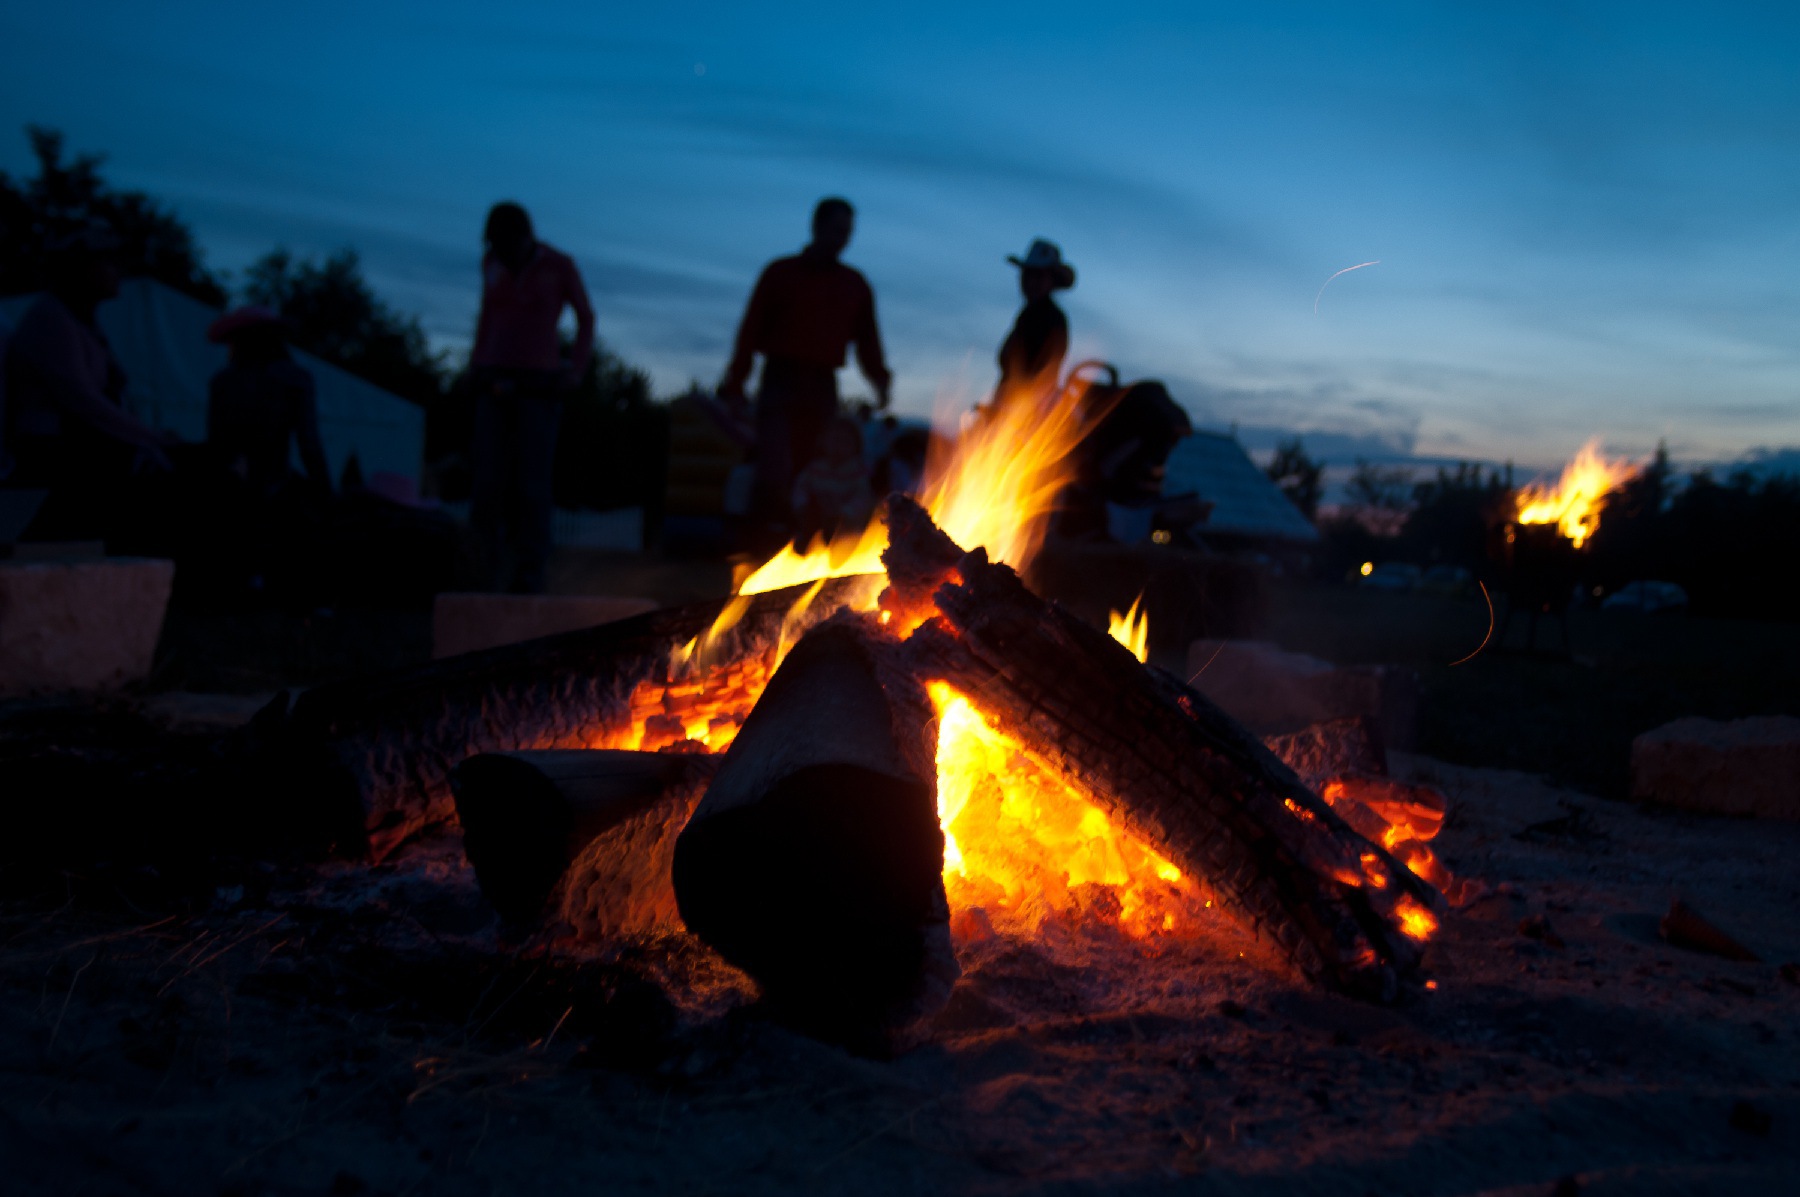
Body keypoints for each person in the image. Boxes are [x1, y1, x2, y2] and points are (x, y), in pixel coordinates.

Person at [719, 197, 891, 546]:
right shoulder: (780, 274)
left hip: (822, 384)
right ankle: (763, 545)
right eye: (836, 229)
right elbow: (750, 331)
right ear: (817, 226)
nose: (842, 238)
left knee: (816, 466)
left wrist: (880, 381)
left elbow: (868, 340)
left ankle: (811, 547)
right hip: (780, 379)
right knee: (774, 464)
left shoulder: (853, 285)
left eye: (847, 232)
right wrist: (735, 383)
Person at [1, 227, 178, 539]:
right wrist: (148, 438)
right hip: (56, 455)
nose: (117, 272)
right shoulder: (50, 320)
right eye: (106, 263)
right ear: (79, 270)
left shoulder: (80, 322)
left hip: (79, 448)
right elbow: (82, 398)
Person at [468, 201, 595, 593]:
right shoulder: (491, 263)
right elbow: (487, 314)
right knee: (487, 478)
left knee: (532, 482)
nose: (500, 252)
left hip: (539, 383)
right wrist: (475, 364)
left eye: (506, 244)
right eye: (495, 245)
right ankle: (482, 566)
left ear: (524, 238)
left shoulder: (558, 265)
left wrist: (574, 370)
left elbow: (585, 317)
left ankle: (530, 569)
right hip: (493, 375)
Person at [206, 306, 330, 498]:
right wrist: (325, 492)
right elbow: (309, 443)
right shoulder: (295, 378)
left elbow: (216, 441)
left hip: (226, 487)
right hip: (274, 487)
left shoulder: (223, 381)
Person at [995, 238, 1075, 407]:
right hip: (1009, 409)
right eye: (1028, 274)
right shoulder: (1027, 316)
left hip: (1026, 412)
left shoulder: (1052, 318)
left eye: (1039, 276)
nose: (1031, 282)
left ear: (1052, 282)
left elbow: (1046, 370)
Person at [790, 415, 874, 544]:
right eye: (834, 440)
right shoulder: (814, 469)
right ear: (824, 442)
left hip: (845, 529)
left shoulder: (858, 472)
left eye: (845, 442)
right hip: (814, 523)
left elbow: (862, 498)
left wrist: (844, 513)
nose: (838, 447)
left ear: (856, 445)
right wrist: (802, 506)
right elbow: (800, 489)